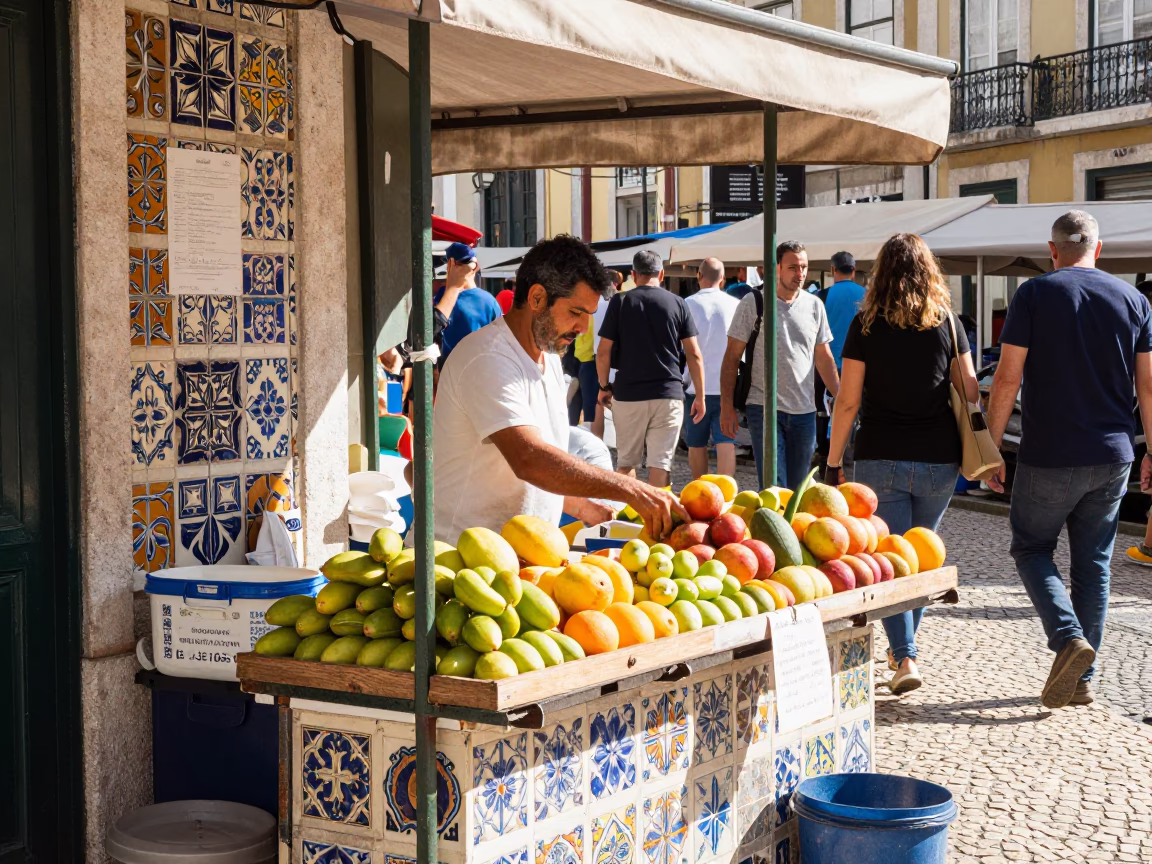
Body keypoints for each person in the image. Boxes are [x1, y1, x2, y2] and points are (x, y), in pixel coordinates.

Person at [987, 210, 1152, 709]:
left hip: (1050, 453)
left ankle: (1068, 640)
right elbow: (1147, 386)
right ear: (1098, 250)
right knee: (1093, 566)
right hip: (1114, 454)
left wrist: (990, 448)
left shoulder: (1034, 294)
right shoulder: (1135, 300)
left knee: (1032, 548)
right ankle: (1084, 679)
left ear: (1052, 251)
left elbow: (1008, 378)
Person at [432, 235, 688, 543]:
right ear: (537, 297)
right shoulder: (488, 358)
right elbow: (528, 458)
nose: (582, 328)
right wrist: (630, 488)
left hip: (524, 559)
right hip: (461, 561)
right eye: (576, 312)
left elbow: (526, 467)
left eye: (588, 316)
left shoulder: (550, 357)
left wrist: (579, 505)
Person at [824, 234, 981, 695]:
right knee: (919, 557)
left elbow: (848, 402)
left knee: (892, 561)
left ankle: (903, 654)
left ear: (880, 276)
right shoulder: (948, 324)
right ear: (929, 272)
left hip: (880, 455)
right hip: (939, 458)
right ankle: (902, 651)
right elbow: (970, 390)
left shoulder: (865, 326)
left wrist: (834, 461)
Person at [720, 241, 840, 489]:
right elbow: (732, 357)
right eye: (793, 267)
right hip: (763, 408)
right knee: (774, 486)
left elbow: (824, 357)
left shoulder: (814, 305)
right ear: (776, 268)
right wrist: (726, 407)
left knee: (798, 489)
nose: (801, 274)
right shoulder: (754, 302)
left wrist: (841, 396)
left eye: (804, 267)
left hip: (805, 410)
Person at [597, 250, 707, 488]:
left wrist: (604, 386)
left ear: (634, 275)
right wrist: (699, 395)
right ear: (662, 274)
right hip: (668, 394)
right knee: (661, 464)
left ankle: (630, 517)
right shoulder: (678, 303)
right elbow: (694, 354)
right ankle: (660, 522)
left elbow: (603, 351)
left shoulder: (620, 301)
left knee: (625, 464)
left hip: (628, 395)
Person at [683, 257, 739, 478]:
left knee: (696, 443)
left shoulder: (687, 304)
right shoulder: (735, 305)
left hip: (695, 387)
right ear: (723, 279)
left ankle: (700, 490)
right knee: (726, 441)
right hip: (727, 386)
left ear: (699, 275)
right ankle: (727, 494)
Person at [815, 251, 865, 472]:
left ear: (832, 270)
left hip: (829, 365)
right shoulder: (868, 295)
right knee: (858, 410)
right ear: (854, 271)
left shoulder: (821, 296)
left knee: (826, 411)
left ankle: (828, 454)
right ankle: (853, 452)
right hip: (862, 366)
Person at [433, 242, 502, 362]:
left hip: (455, 369)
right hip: (482, 367)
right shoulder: (490, 301)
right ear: (475, 267)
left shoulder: (443, 296)